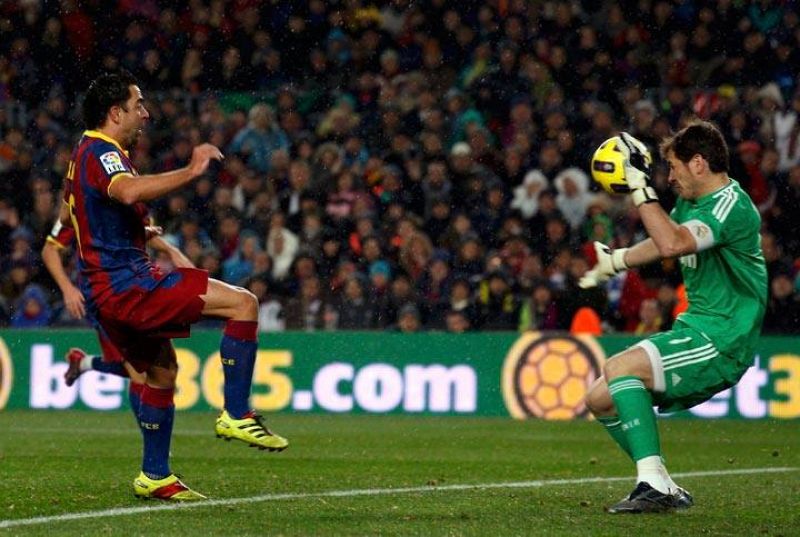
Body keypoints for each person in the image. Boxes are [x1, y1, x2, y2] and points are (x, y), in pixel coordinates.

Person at [60, 70, 288, 501]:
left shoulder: (85, 152)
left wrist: (130, 232)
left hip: (108, 290)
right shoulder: (102, 150)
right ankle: (237, 412)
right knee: (244, 304)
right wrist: (192, 169)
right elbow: (127, 192)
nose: (145, 114)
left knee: (162, 372)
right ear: (115, 113)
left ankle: (155, 475)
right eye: (138, 105)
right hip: (129, 285)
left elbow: (83, 210)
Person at [580, 122, 767, 513]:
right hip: (698, 329)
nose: (669, 178)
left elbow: (672, 243)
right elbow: (664, 238)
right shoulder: (691, 205)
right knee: (599, 398)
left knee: (619, 368)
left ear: (698, 163)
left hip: (722, 338)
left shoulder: (730, 205)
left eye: (674, 168)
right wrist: (618, 259)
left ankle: (651, 483)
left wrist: (640, 187)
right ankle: (663, 483)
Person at [40, 216, 190, 388]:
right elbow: (49, 250)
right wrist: (67, 288)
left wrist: (171, 250)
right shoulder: (79, 206)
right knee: (141, 374)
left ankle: (83, 363)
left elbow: (137, 234)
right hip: (104, 295)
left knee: (160, 368)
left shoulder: (130, 204)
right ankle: (85, 364)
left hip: (140, 290)